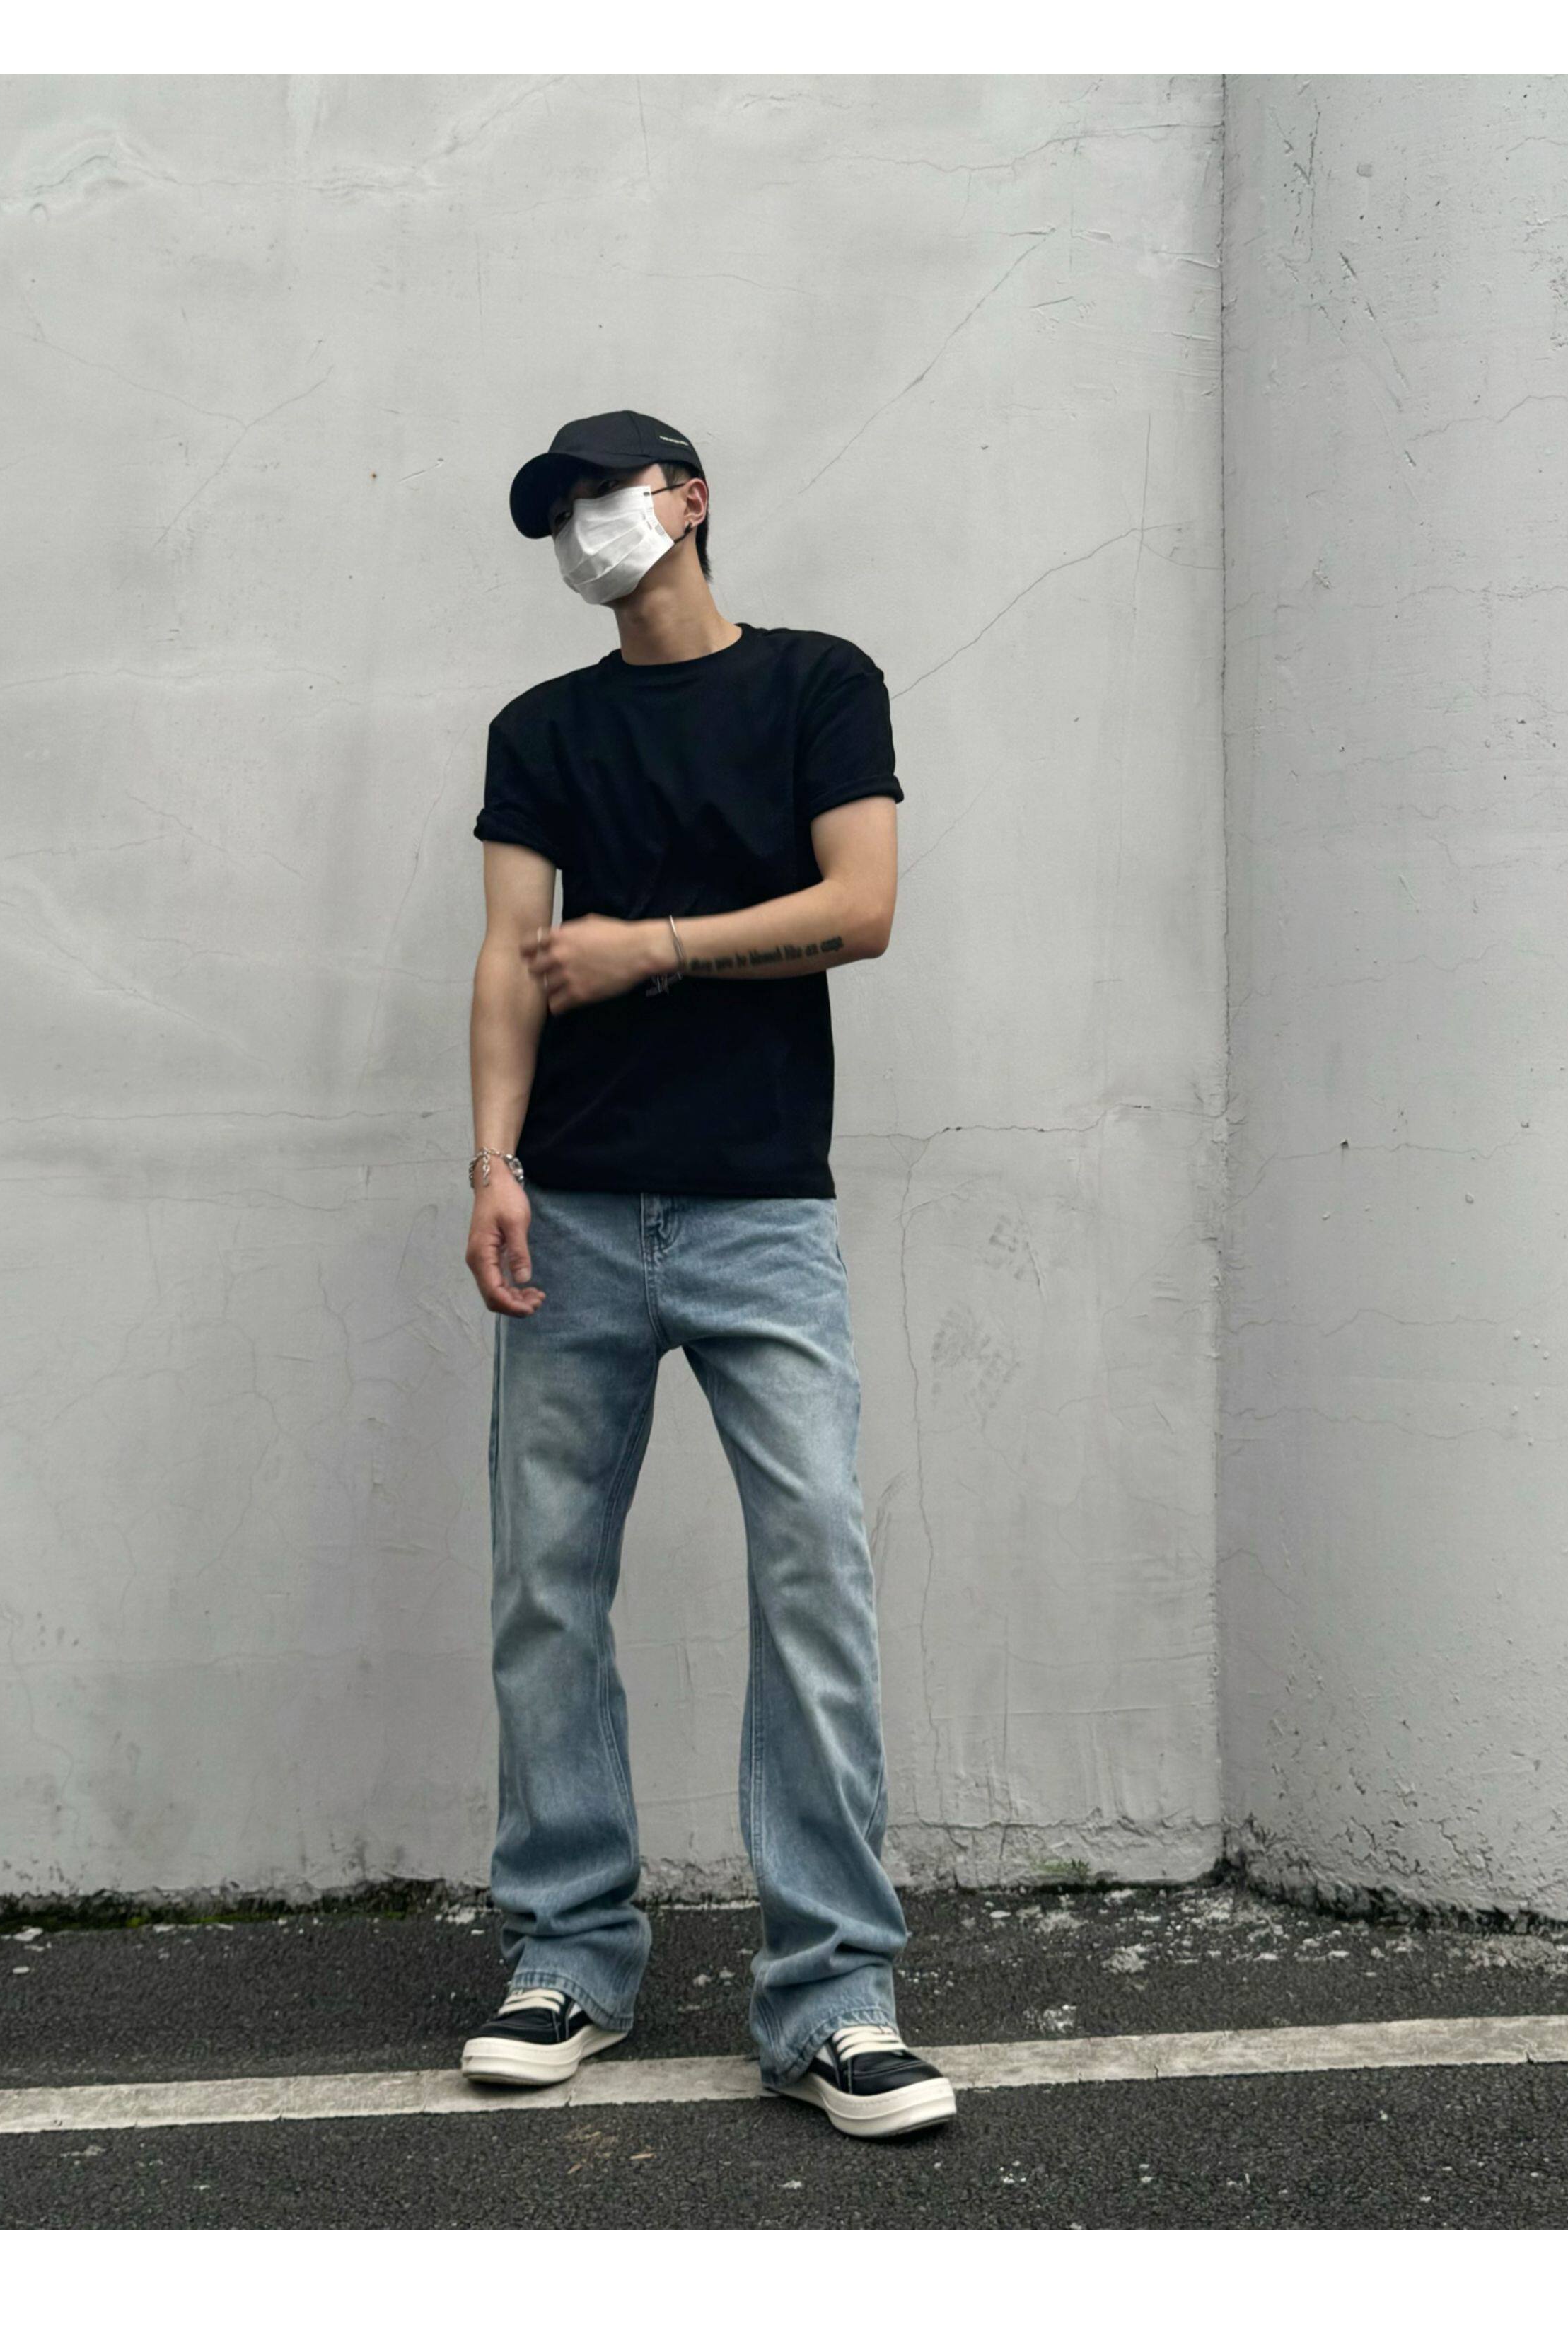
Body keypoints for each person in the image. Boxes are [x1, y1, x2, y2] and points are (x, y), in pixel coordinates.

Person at [458, 410, 956, 2143]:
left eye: (601, 497)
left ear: (686, 499)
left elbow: (861, 904)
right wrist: (494, 1164)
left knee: (815, 1571)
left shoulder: (818, 684)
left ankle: (832, 1997)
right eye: (557, 515)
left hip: (759, 1212)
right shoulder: (542, 728)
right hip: (578, 1206)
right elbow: (508, 957)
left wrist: (651, 947)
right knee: (545, 1587)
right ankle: (566, 1955)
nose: (581, 531)